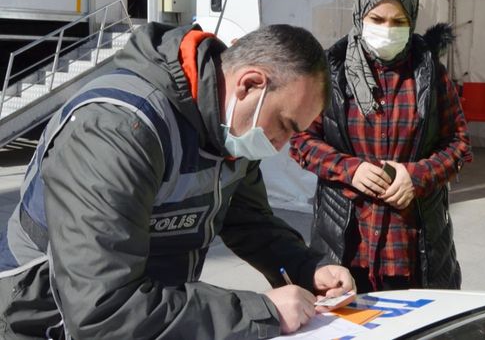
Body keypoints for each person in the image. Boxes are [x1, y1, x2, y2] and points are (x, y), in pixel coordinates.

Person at [0, 23, 355, 339]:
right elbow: (101, 310)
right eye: (284, 125)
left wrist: (308, 268)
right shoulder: (118, 129)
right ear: (250, 84)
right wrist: (263, 311)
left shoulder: (229, 129)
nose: (279, 146)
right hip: (45, 319)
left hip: (153, 314)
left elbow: (249, 221)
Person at [290, 0, 471, 292]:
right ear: (360, 14)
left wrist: (417, 177)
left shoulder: (431, 73)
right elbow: (301, 140)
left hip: (415, 247)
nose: (387, 29)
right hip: (346, 244)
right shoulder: (331, 72)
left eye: (398, 21)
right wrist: (350, 169)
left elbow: (458, 143)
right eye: (377, 19)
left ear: (413, 18)